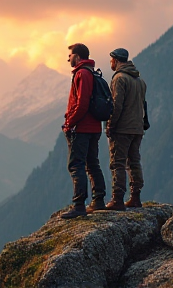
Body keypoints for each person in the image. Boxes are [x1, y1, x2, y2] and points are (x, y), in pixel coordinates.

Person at [61, 43, 106, 219]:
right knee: (92, 163)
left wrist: (69, 123)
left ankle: (79, 205)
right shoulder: (92, 73)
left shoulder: (82, 74)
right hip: (94, 127)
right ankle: (98, 200)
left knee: (76, 164)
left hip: (82, 128)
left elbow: (82, 104)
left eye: (70, 55)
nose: (68, 58)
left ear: (78, 57)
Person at [105, 48, 147, 211]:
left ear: (115, 60)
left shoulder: (119, 79)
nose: (110, 63)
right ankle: (135, 197)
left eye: (111, 60)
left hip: (122, 128)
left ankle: (117, 199)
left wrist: (111, 125)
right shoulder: (139, 80)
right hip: (137, 128)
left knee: (118, 163)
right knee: (134, 162)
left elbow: (116, 105)